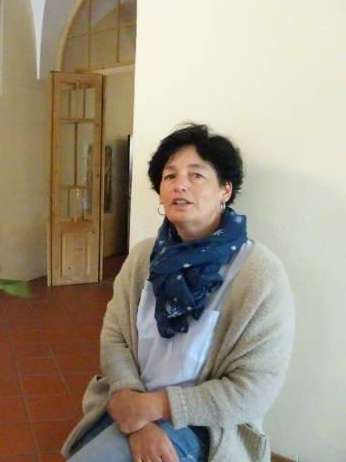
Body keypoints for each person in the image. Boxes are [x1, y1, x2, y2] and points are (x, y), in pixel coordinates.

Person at [61, 124, 295, 462]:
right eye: (169, 176)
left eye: (196, 175)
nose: (179, 184)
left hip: (205, 425)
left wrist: (156, 407)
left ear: (225, 190)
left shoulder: (259, 274)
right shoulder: (143, 257)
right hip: (131, 399)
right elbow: (114, 338)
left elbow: (255, 388)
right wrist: (137, 414)